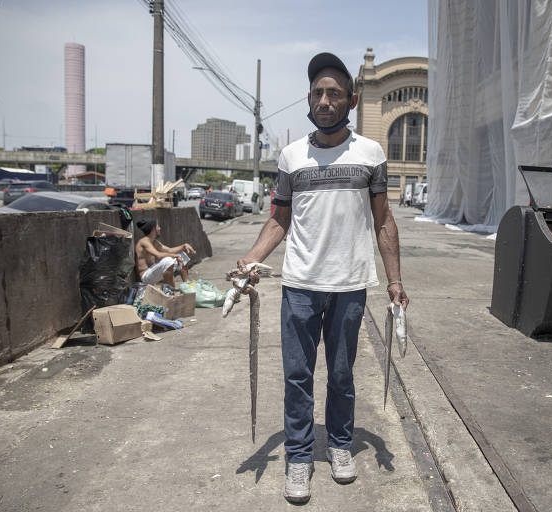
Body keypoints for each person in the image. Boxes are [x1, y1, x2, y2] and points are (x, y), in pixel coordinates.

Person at [235, 52, 409, 504]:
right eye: (318, 93)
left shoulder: (370, 154)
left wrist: (394, 281)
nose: (325, 101)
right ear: (308, 100)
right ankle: (298, 456)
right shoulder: (292, 156)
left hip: (349, 285)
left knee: (342, 374)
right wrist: (251, 259)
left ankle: (339, 444)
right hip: (299, 285)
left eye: (334, 93)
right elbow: (279, 219)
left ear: (351, 100)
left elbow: (384, 219)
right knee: (297, 375)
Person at [135, 218, 195, 287]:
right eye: (158, 226)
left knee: (181, 255)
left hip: (153, 272)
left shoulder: (154, 242)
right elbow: (158, 255)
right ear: (153, 229)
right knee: (168, 260)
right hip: (145, 277)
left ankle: (187, 285)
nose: (160, 228)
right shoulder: (144, 241)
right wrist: (175, 256)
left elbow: (169, 250)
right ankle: (170, 290)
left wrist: (184, 246)